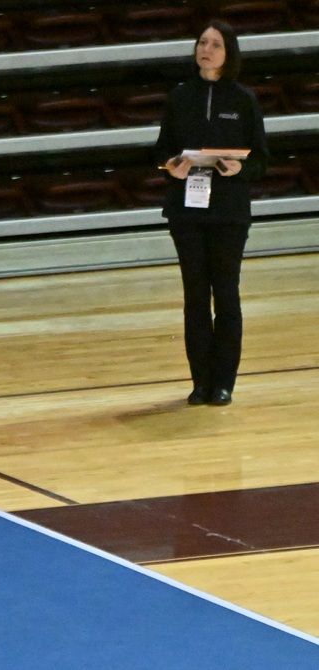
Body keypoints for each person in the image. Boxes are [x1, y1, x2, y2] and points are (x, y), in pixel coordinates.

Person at [154, 19, 269, 406]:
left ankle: (224, 383)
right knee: (195, 298)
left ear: (228, 53)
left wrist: (241, 168)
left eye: (215, 44)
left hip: (229, 212)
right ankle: (200, 382)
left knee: (227, 295)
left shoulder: (243, 100)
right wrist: (171, 165)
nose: (206, 49)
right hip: (186, 211)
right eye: (202, 42)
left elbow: (262, 160)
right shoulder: (180, 96)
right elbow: (161, 152)